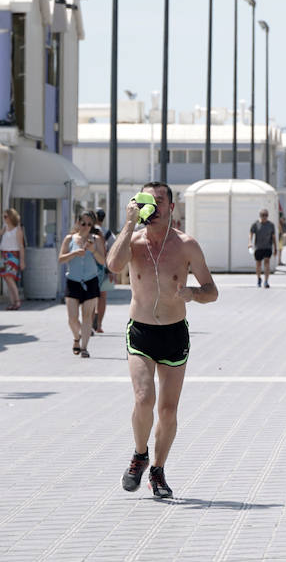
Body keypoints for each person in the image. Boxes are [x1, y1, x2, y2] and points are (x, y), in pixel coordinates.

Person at [108, 182, 218, 499]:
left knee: (168, 411)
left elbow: (212, 291)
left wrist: (192, 294)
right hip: (141, 331)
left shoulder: (186, 246)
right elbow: (114, 267)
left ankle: (157, 469)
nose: (152, 207)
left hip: (174, 333)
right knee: (144, 398)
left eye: (159, 201)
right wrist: (128, 224)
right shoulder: (134, 240)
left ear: (171, 206)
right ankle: (139, 454)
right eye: (146, 201)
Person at [60, 213, 105, 357]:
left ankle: (84, 348)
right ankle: (76, 338)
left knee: (87, 317)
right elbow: (61, 259)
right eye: (83, 223)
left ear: (92, 226)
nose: (86, 227)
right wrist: (73, 254)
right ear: (78, 223)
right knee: (72, 318)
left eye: (89, 224)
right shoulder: (69, 239)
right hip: (73, 281)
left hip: (91, 281)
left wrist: (93, 251)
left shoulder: (96, 240)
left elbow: (103, 261)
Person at [0, 208, 26, 310]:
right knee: (6, 279)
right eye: (3, 216)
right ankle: (12, 302)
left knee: (10, 278)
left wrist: (22, 261)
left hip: (13, 255)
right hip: (4, 254)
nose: (4, 219)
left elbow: (21, 246)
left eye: (6, 216)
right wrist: (3, 230)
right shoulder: (5, 227)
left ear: (11, 217)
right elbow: (0, 236)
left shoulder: (17, 229)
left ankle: (17, 301)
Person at [94, 208, 115, 334]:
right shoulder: (107, 233)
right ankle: (99, 325)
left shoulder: (90, 231)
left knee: (91, 297)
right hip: (106, 268)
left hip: (92, 267)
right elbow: (113, 250)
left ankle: (90, 321)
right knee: (102, 297)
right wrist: (112, 270)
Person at [250, 208, 277, 287]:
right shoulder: (255, 224)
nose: (264, 217)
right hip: (258, 247)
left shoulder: (271, 225)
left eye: (266, 215)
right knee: (258, 264)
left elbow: (274, 237)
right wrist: (250, 242)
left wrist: (275, 248)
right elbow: (251, 233)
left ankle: (266, 281)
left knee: (267, 262)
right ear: (260, 216)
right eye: (263, 215)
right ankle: (259, 278)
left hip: (268, 247)